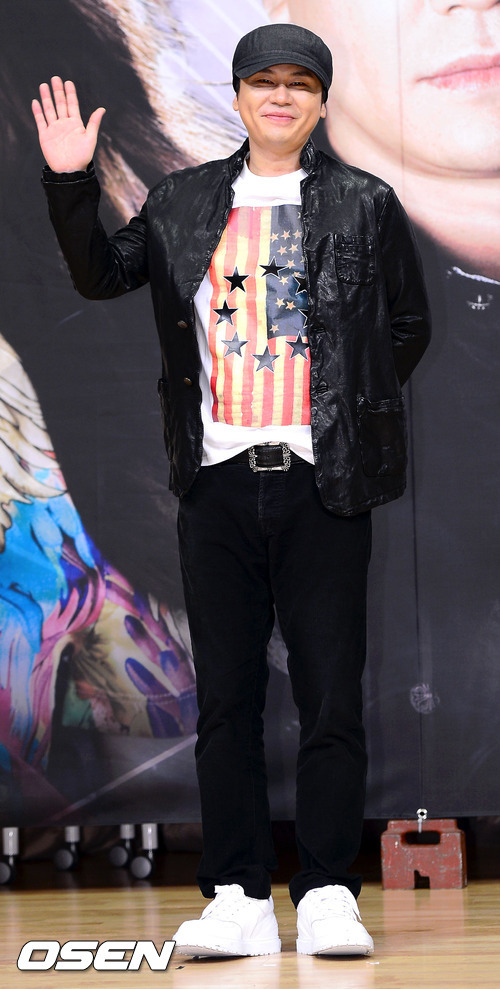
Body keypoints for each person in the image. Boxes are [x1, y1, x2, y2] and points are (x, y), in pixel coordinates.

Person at [33, 22, 430, 958]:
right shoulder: (183, 198)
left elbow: (405, 327)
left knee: (331, 697)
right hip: (215, 484)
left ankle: (327, 891)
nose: (280, 96)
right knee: (227, 699)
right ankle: (240, 896)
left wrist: (341, 415)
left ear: (320, 102)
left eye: (299, 83)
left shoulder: (366, 203)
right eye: (264, 81)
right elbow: (101, 276)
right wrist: (69, 181)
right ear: (241, 95)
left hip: (323, 483)